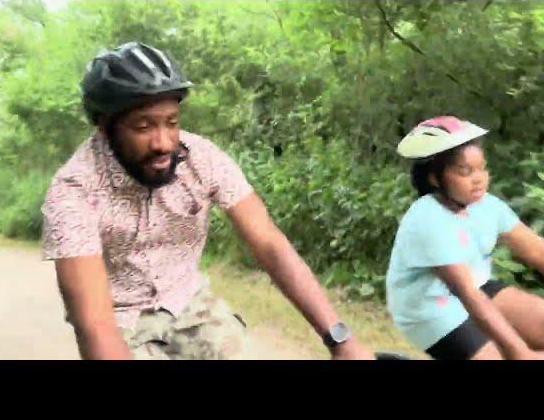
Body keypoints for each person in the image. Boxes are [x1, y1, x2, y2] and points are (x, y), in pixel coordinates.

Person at [40, 41, 374, 360]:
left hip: (192, 306)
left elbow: (269, 242)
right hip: (123, 323)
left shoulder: (201, 158)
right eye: (143, 127)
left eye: (171, 122)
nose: (163, 143)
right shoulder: (73, 191)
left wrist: (340, 339)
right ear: (104, 127)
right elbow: (95, 324)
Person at [386, 115, 544, 360]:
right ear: (434, 178)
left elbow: (538, 252)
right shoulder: (428, 220)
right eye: (465, 171)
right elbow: (467, 294)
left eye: (482, 168)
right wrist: (520, 352)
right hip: (431, 308)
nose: (479, 178)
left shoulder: (488, 206)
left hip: (479, 286)